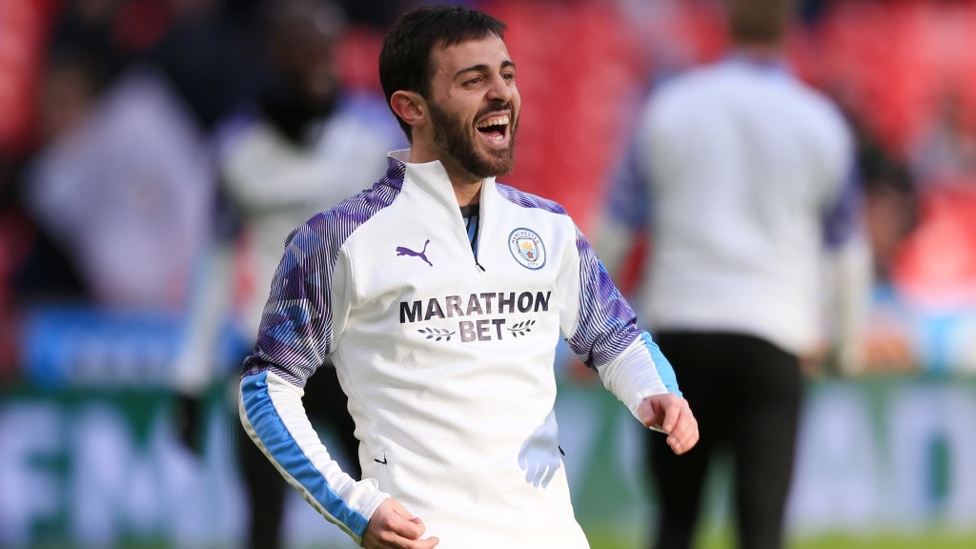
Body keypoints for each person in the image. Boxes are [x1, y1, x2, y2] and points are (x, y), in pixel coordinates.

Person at [237, 4, 699, 548]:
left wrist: (656, 391)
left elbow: (617, 339)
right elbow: (266, 389)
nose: (501, 93)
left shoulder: (547, 228)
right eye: (473, 80)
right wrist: (354, 504)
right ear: (412, 108)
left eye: (507, 75)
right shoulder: (335, 240)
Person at [597, 0, 872, 548]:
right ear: (791, 26)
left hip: (679, 331)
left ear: (725, 21)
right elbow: (847, 250)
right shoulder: (819, 121)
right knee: (762, 527)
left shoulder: (671, 106)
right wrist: (846, 346)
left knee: (675, 519)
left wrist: (594, 333)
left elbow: (617, 225)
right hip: (773, 336)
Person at [168, 1, 403, 547]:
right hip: (271, 354)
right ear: (275, 56)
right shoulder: (236, 149)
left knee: (395, 512)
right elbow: (218, 262)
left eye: (326, 51)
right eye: (304, 51)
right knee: (264, 521)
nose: (319, 65)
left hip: (355, 353)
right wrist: (190, 375)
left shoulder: (373, 137)